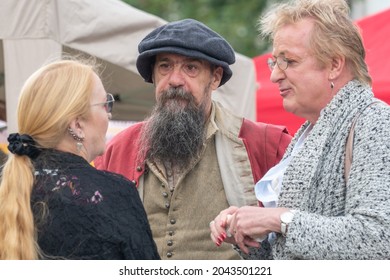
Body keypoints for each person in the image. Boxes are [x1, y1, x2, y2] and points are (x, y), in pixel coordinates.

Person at [94, 18, 292, 260]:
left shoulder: (266, 145)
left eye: (190, 68)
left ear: (215, 78)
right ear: (154, 76)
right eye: (165, 67)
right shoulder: (118, 149)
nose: (175, 80)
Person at [210, 0, 390, 260]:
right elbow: (292, 253)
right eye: (275, 62)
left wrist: (277, 219)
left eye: (289, 61)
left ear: (334, 65)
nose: (274, 76)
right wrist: (248, 233)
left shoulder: (374, 122)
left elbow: (379, 238)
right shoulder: (308, 133)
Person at [0, 58, 160, 260]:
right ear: (77, 126)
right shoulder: (114, 193)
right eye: (105, 105)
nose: (109, 115)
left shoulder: (10, 184)